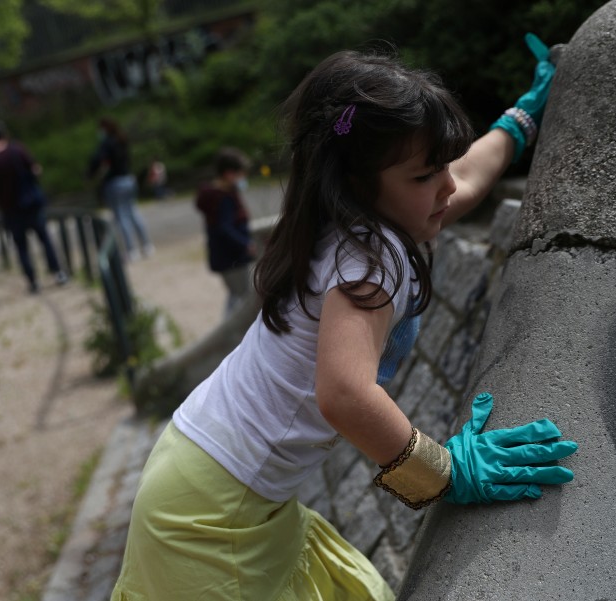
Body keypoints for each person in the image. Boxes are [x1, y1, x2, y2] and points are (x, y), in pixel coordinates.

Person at [111, 35, 577, 601]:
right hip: (214, 516)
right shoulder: (372, 259)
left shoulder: (348, 218)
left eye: (441, 167)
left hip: (208, 476)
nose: (447, 186)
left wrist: (524, 115)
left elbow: (469, 178)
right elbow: (345, 395)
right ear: (360, 181)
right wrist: (448, 473)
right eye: (426, 175)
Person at [0, 122, 68, 293]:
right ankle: (58, 273)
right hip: (30, 203)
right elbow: (35, 168)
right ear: (4, 134)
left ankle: (33, 281)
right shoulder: (16, 150)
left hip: (9, 208)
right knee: (44, 239)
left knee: (21, 247)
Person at [195, 147, 256, 316]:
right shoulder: (223, 198)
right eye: (241, 174)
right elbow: (225, 228)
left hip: (226, 257)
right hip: (232, 258)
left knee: (236, 295)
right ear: (230, 174)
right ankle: (231, 334)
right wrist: (246, 244)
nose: (243, 178)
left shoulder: (219, 195)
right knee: (242, 298)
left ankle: (230, 332)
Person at [88, 117, 154, 261]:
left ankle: (131, 250)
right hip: (129, 180)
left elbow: (102, 163)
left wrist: (94, 175)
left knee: (121, 216)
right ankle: (147, 245)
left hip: (115, 183)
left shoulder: (107, 144)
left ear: (104, 129)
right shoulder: (121, 140)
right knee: (133, 211)